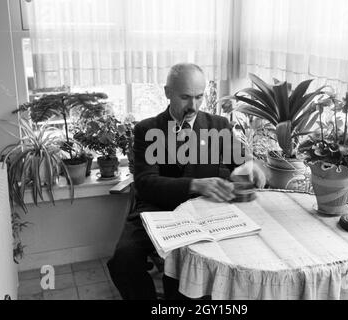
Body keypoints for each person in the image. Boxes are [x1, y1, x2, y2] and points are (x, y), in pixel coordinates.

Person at [107, 63, 266, 300]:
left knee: (184, 280)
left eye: (199, 97)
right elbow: (146, 183)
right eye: (185, 97)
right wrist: (195, 184)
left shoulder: (219, 126)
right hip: (156, 210)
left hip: (204, 212)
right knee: (123, 260)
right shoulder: (146, 129)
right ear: (167, 92)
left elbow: (241, 161)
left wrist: (250, 166)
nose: (193, 105)